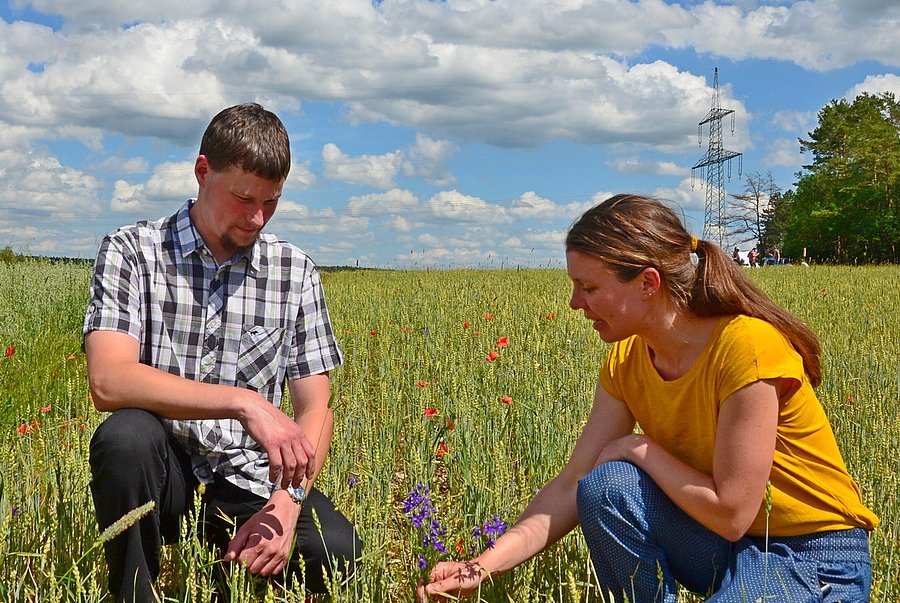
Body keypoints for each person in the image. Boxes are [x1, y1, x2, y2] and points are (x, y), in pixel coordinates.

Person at [417, 194, 877, 603]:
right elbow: (573, 481)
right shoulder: (627, 361)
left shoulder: (747, 348)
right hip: (718, 543)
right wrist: (481, 567)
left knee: (617, 466)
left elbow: (734, 513)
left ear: (648, 283)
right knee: (604, 486)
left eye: (589, 287)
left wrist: (639, 448)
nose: (575, 303)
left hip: (809, 552)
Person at [84, 103, 361, 603]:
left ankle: (225, 569)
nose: (257, 217)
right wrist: (244, 401)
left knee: (337, 549)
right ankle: (134, 592)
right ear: (202, 171)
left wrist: (288, 501)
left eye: (272, 202)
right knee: (125, 438)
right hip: (162, 471)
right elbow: (108, 380)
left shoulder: (295, 272)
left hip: (246, 477)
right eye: (243, 198)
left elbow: (316, 407)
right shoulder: (133, 251)